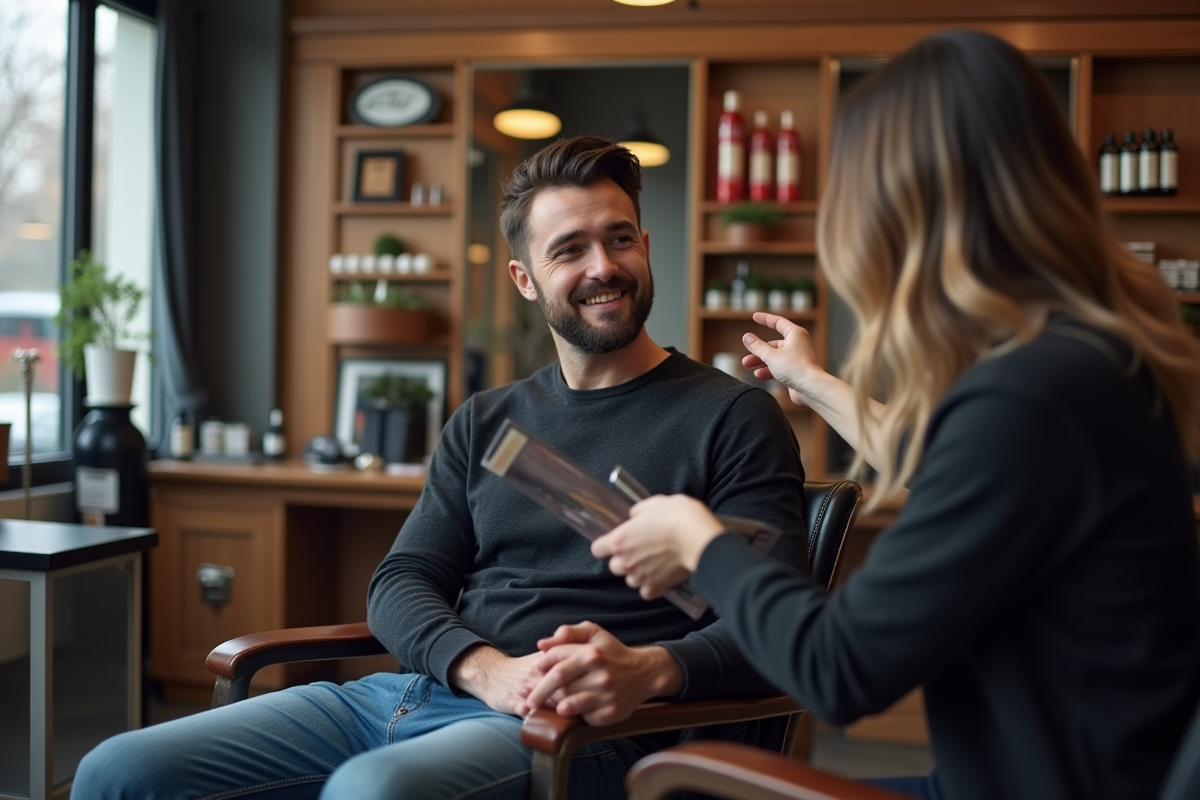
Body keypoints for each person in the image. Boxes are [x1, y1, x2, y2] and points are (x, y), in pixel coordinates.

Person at [72, 136, 807, 800]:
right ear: (524, 279)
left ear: (646, 245)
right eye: (570, 249)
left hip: (575, 730)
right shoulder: (486, 419)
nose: (603, 267)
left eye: (620, 239)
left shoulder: (732, 418)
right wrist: (482, 668)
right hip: (412, 694)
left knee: (374, 792)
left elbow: (778, 626)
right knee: (116, 771)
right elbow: (401, 581)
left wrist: (649, 669)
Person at [587, 30, 1200, 800]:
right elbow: (959, 462)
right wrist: (811, 382)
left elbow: (839, 668)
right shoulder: (1089, 362)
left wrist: (699, 540)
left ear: (901, 211)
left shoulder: (1030, 395)